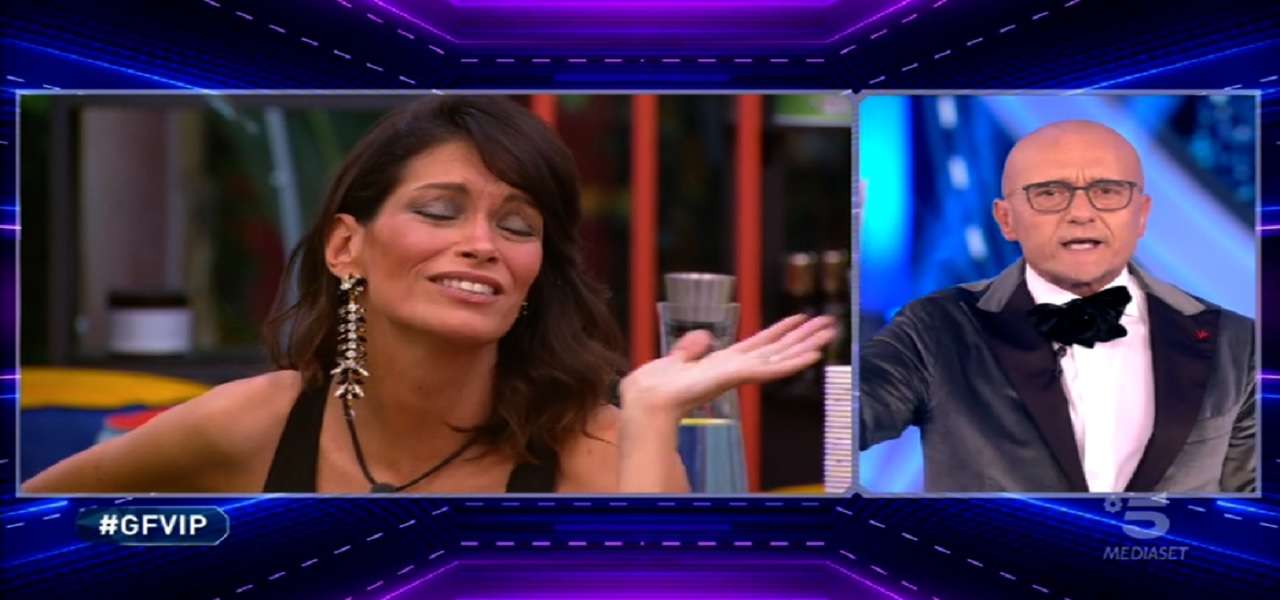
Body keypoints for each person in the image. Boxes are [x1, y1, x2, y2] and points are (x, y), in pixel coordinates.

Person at [24, 96, 835, 494]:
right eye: (439, 212)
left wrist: (651, 417)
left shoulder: (599, 449)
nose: (482, 243)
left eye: (516, 225)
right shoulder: (254, 423)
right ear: (346, 247)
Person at [859, 120, 1256, 493]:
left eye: (1107, 192)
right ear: (1006, 219)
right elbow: (849, 420)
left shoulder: (1235, 341)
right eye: (1049, 194)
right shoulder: (938, 327)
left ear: (1141, 215)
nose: (1082, 214)